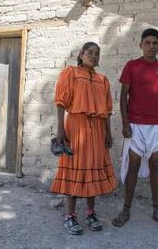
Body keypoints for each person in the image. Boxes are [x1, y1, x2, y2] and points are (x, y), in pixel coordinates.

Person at [50, 42, 117, 235]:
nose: (94, 56)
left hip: (97, 129)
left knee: (92, 171)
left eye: (97, 53)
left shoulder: (102, 80)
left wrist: (108, 133)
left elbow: (107, 111)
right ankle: (69, 215)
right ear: (81, 54)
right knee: (74, 171)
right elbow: (61, 102)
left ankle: (90, 212)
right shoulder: (70, 73)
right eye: (90, 52)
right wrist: (61, 130)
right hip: (76, 126)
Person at [112, 28, 158, 228]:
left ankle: (157, 209)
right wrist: (124, 122)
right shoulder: (131, 66)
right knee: (133, 166)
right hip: (136, 125)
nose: (151, 46)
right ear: (141, 45)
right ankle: (126, 209)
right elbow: (123, 96)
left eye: (155, 43)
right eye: (147, 42)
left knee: (156, 167)